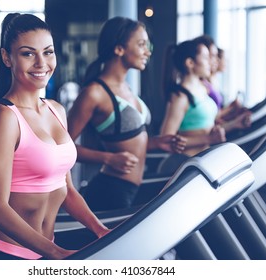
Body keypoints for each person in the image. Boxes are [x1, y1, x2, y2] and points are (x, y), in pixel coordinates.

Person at [0, 13, 109, 260]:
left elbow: (66, 189)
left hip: (45, 252)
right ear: (7, 58)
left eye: (48, 52)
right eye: (28, 53)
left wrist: (100, 230)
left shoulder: (57, 110)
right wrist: (56, 253)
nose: (42, 63)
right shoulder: (4, 117)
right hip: (5, 254)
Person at [67, 17, 186, 212]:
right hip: (110, 191)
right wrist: (108, 158)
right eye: (141, 45)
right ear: (119, 49)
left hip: (132, 188)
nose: (147, 51)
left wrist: (157, 143)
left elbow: (129, 142)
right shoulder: (94, 93)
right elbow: (61, 149)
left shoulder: (126, 87)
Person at [160, 39, 250, 157]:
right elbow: (166, 139)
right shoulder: (180, 97)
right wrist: (208, 139)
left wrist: (235, 124)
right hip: (186, 162)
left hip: (205, 159)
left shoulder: (202, 89)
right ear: (190, 63)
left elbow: (206, 127)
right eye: (205, 58)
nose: (211, 62)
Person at [194, 34, 250, 123]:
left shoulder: (203, 85)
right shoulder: (197, 88)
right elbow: (211, 120)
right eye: (212, 56)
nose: (217, 60)